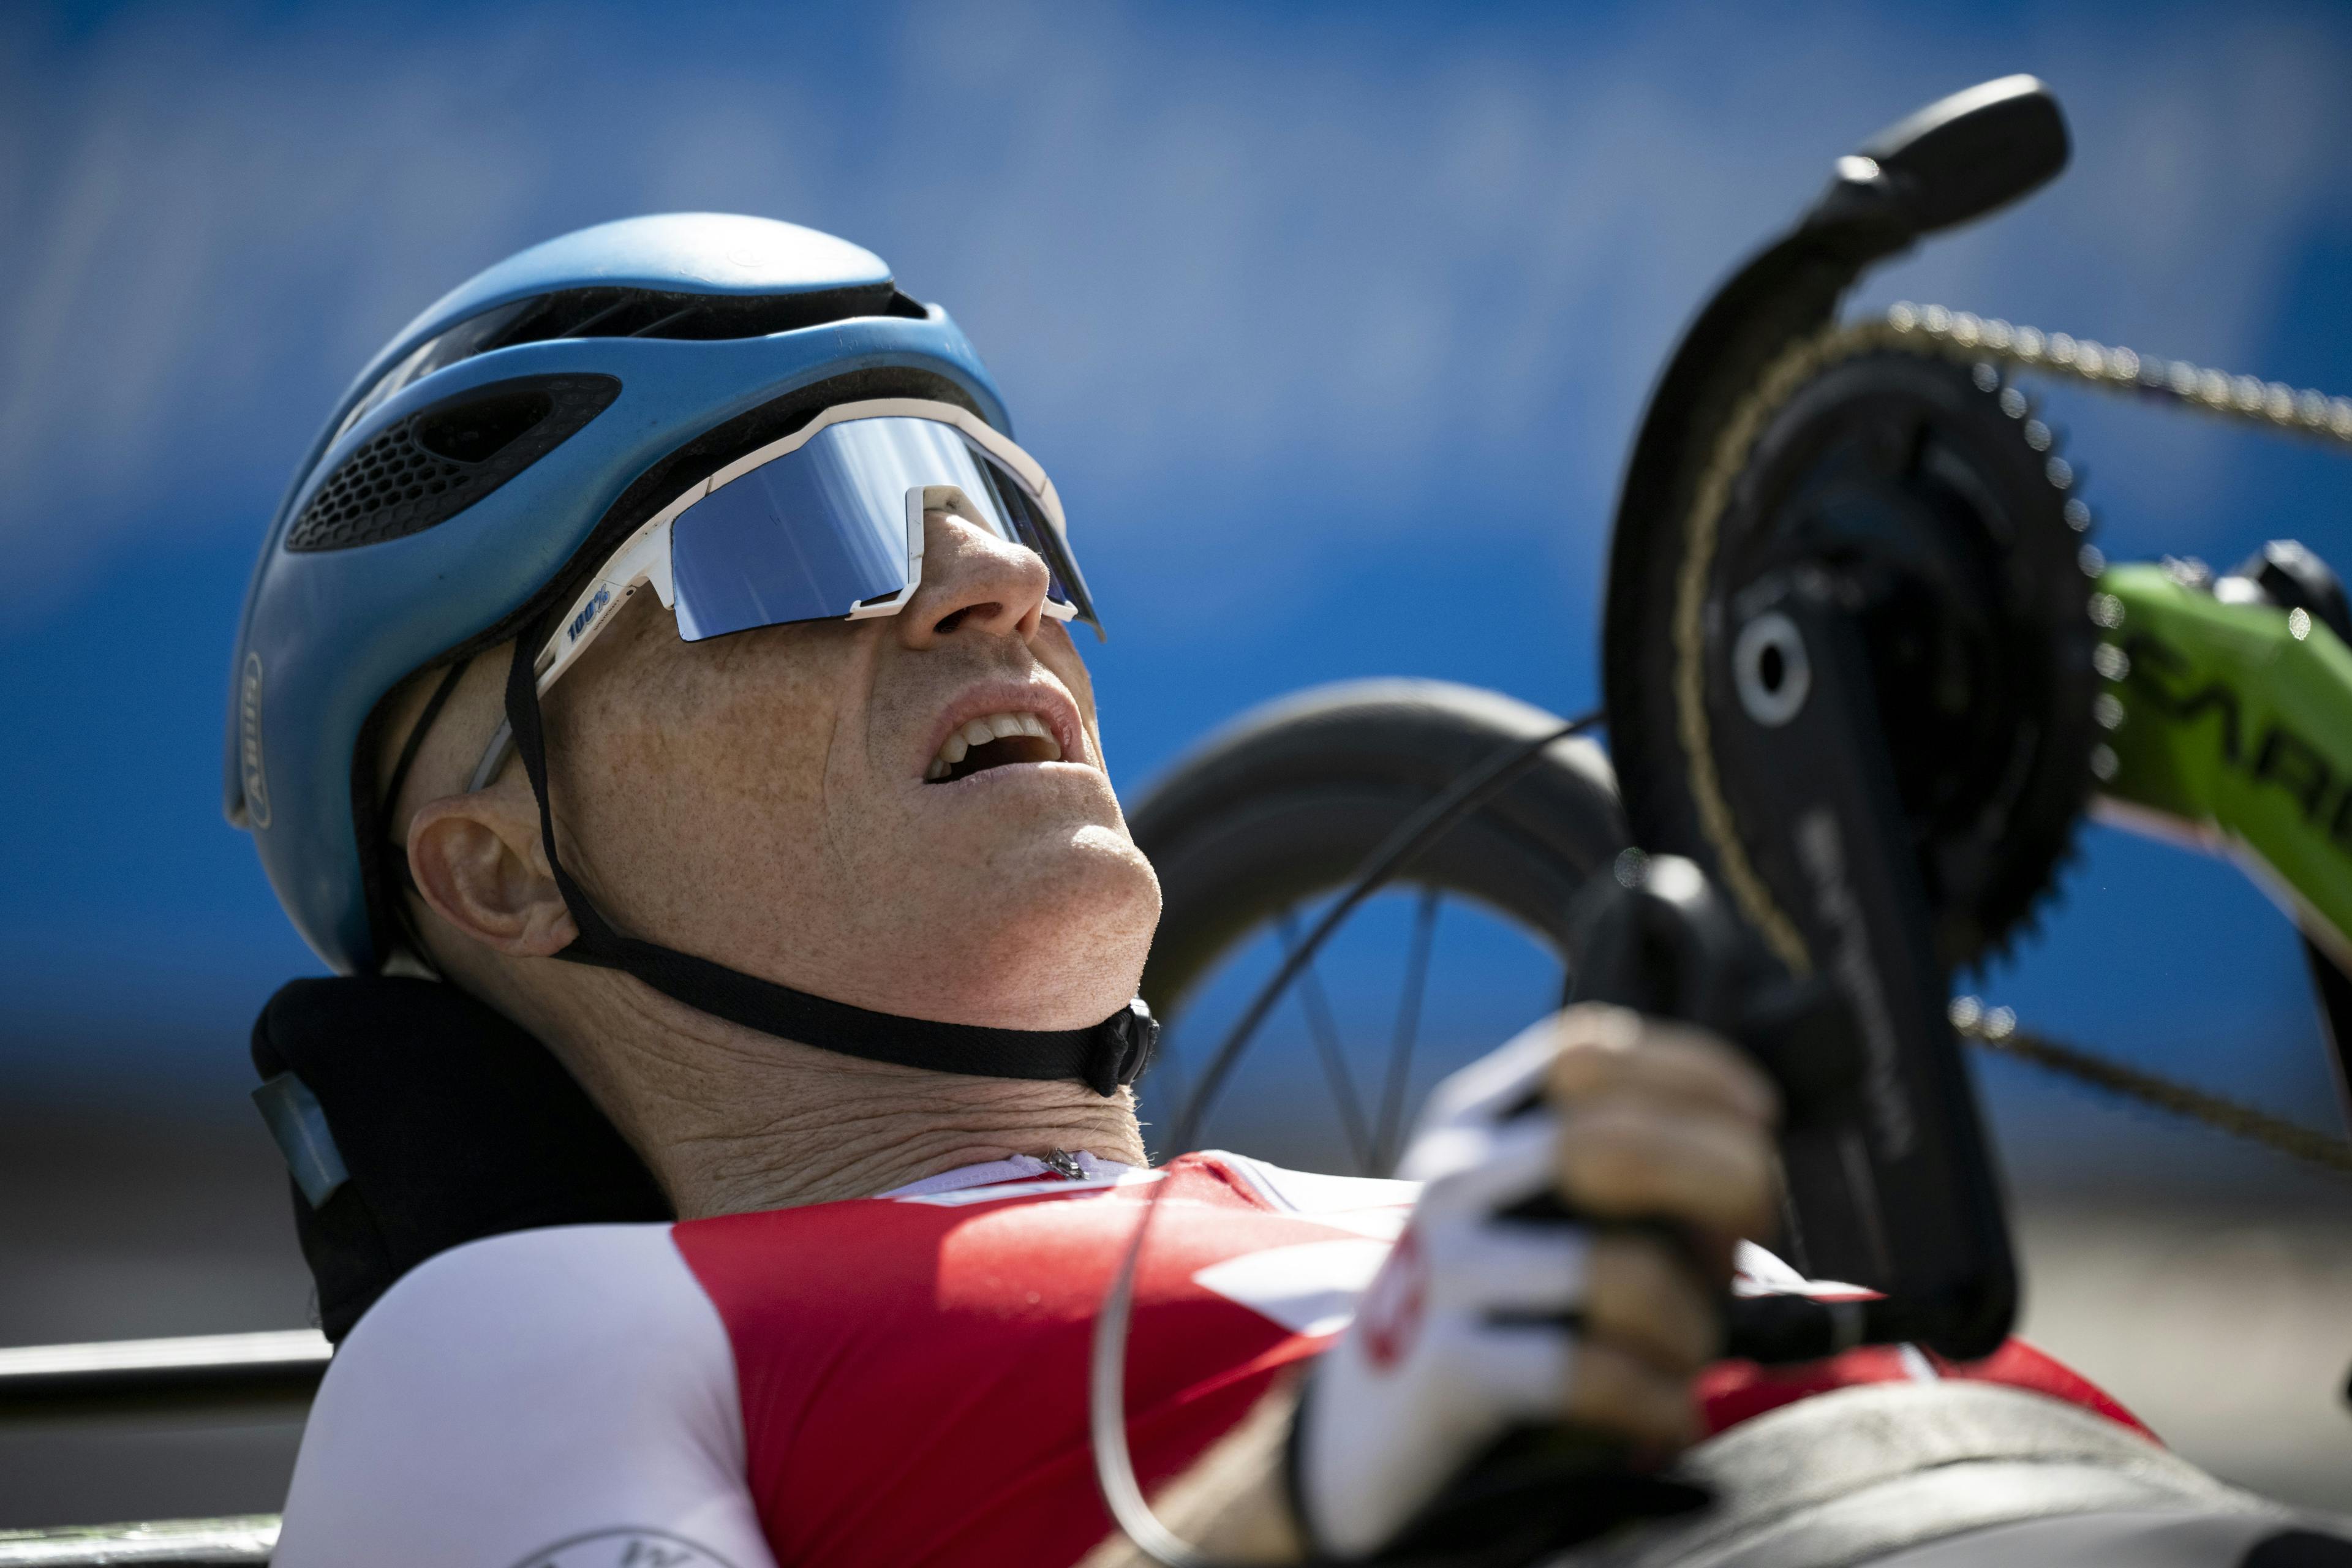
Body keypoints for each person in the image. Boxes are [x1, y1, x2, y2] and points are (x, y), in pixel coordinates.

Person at [227, 214, 2249, 1568]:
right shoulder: (520, 1345)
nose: (989, 581)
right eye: (793, 535)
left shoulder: (1441, 1217)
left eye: (994, 502)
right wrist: (1325, 1489)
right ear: (499, 868)